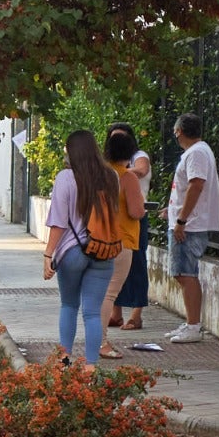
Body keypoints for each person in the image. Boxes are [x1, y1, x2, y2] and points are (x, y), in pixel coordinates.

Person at [42, 130, 120, 364]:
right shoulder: (111, 176)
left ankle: (64, 359)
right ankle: (91, 366)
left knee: (69, 304)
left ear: (71, 152)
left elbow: (59, 222)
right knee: (93, 312)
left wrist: (48, 254)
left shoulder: (65, 178)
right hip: (104, 250)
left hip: (72, 251)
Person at [165, 113, 219, 343]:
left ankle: (194, 326)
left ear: (179, 131)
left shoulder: (196, 153)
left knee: (185, 273)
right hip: (188, 221)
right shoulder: (199, 151)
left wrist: (181, 220)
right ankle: (191, 323)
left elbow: (196, 185)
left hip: (190, 224)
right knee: (183, 272)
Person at [96, 128, 147, 359]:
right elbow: (137, 212)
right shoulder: (127, 177)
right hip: (122, 241)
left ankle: (96, 339)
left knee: (98, 294)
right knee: (109, 294)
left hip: (98, 239)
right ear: (130, 152)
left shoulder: (100, 174)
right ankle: (101, 342)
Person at [109, 123, 152, 331]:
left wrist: (118, 170)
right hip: (114, 220)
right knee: (114, 267)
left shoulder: (138, 157)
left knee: (136, 264)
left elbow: (142, 170)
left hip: (135, 218)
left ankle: (136, 314)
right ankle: (115, 313)